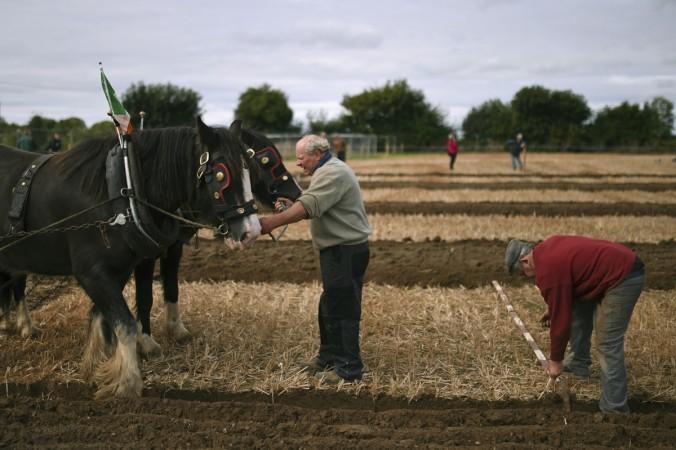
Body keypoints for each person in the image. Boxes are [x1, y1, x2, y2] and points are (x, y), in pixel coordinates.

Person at [259, 134, 371, 384]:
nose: (298, 163)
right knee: (329, 305)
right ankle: (328, 358)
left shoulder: (334, 172)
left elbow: (309, 205)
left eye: (301, 158)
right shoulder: (327, 170)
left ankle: (349, 370)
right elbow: (312, 201)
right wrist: (291, 204)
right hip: (338, 250)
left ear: (317, 154)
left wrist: (270, 223)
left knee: (343, 308)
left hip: (345, 250)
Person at [505, 236, 646, 414]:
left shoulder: (547, 269)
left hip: (623, 276)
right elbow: (568, 287)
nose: (525, 277)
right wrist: (556, 307)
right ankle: (578, 364)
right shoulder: (546, 249)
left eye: (522, 273)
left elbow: (560, 323)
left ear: (524, 260)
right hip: (613, 267)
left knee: (607, 343)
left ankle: (615, 409)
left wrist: (555, 360)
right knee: (577, 310)